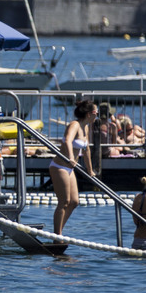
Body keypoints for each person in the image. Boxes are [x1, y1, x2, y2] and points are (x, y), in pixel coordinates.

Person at [48, 99, 98, 235]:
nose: (97, 116)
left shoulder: (86, 127)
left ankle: (58, 232)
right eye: (96, 113)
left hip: (69, 168)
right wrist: (70, 157)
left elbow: (86, 149)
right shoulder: (74, 124)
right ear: (89, 114)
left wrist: (90, 170)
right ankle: (57, 235)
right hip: (59, 165)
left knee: (74, 202)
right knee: (64, 202)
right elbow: (67, 140)